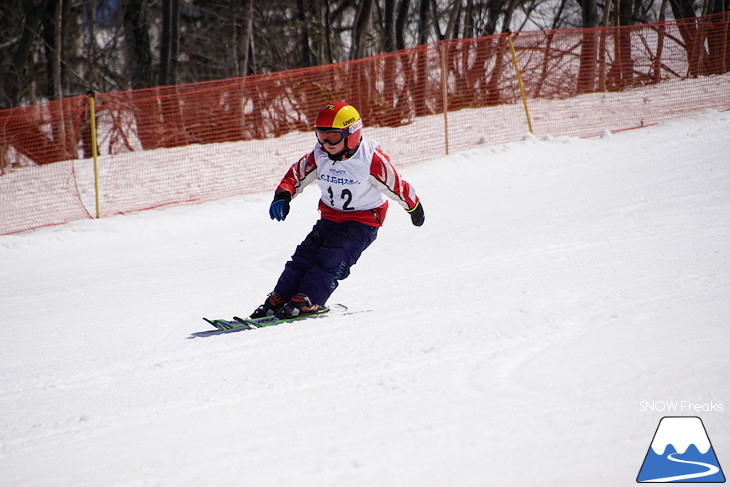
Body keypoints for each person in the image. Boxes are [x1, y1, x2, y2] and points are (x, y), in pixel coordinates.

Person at [250, 102, 425, 319]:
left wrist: (414, 207)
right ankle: (281, 296)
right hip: (331, 217)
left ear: (351, 133)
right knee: (304, 255)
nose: (326, 143)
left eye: (332, 136)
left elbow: (397, 185)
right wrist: (283, 195)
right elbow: (296, 174)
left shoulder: (369, 159)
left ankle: (309, 298)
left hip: (362, 220)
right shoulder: (320, 155)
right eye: (320, 136)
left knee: (332, 256)